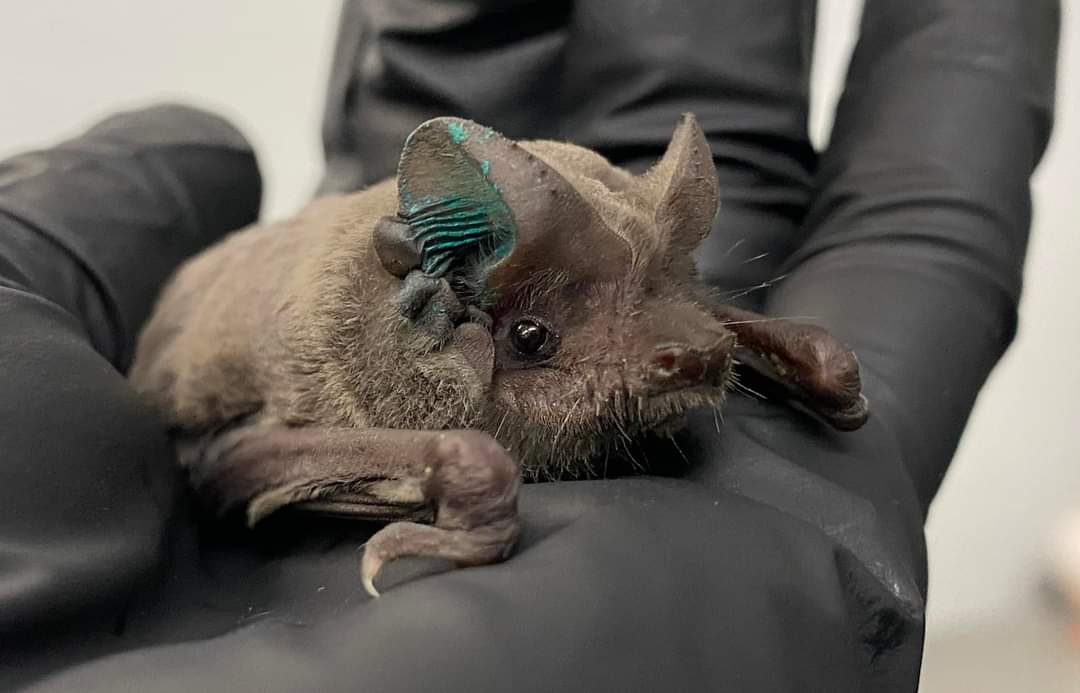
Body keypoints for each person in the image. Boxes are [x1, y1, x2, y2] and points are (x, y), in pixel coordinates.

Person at [0, 1, 1059, 690]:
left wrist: (676, 311)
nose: (662, 353)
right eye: (543, 334)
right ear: (437, 319)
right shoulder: (357, 370)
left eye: (655, 291)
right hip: (256, 398)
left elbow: (648, 306)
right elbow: (222, 456)